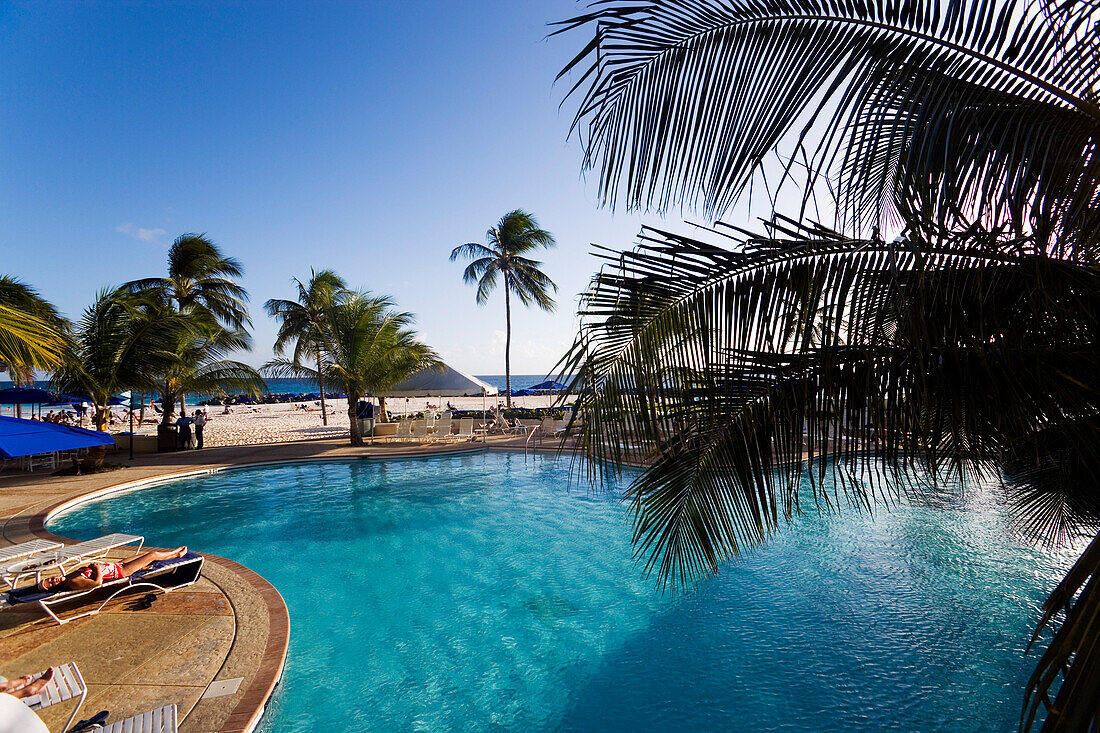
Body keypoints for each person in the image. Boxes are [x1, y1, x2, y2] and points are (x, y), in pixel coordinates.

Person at [37, 547, 188, 593]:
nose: (52, 580)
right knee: (153, 555)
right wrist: (97, 569)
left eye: (49, 579)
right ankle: (177, 554)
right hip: (121, 572)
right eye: (50, 584)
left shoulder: (67, 577)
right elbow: (97, 584)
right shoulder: (74, 582)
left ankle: (174, 552)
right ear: (54, 588)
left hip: (117, 565)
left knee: (145, 556)